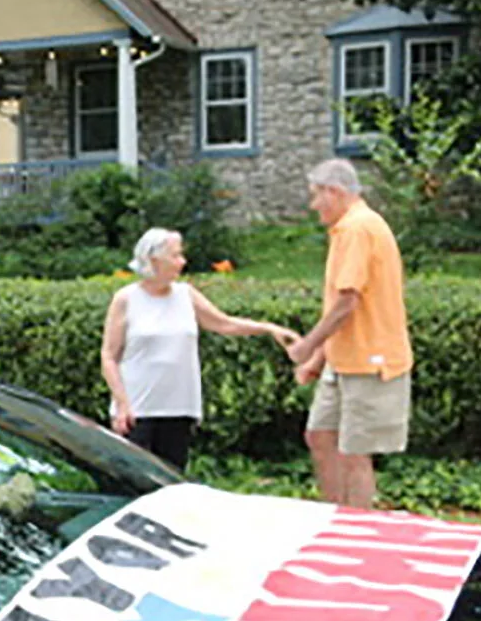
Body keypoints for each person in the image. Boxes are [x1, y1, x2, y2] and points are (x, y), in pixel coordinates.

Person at [100, 228, 297, 469]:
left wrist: (269, 329)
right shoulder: (126, 299)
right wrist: (121, 403)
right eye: (175, 256)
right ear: (154, 260)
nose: (182, 262)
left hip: (178, 407)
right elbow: (109, 356)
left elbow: (225, 324)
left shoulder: (186, 295)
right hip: (137, 410)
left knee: (172, 481)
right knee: (133, 481)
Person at [284, 159, 412, 509]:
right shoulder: (348, 229)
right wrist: (318, 358)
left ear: (334, 192)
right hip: (344, 361)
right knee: (320, 435)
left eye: (315, 196)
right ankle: (336, 515)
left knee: (356, 453)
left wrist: (307, 345)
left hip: (370, 361)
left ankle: (357, 528)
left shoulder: (358, 229)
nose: (313, 206)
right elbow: (343, 308)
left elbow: (347, 302)